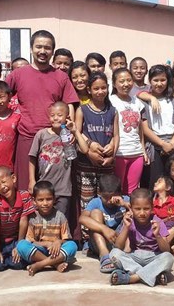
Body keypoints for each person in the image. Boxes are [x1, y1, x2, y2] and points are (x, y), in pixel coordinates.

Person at [0, 30, 79, 191]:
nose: (43, 51)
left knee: (53, 189)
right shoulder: (18, 74)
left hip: (54, 138)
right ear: (31, 48)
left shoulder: (60, 76)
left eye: (47, 48)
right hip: (26, 137)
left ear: (52, 51)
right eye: (39, 46)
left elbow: (70, 104)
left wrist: (71, 130)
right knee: (26, 187)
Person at [74, 72, 119, 234]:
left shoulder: (112, 110)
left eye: (103, 88)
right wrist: (90, 149)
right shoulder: (82, 110)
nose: (100, 91)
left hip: (107, 164)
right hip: (86, 165)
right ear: (89, 90)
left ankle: (107, 233)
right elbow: (77, 133)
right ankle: (88, 238)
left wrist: (112, 154)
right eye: (96, 88)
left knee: (107, 199)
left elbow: (116, 135)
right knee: (87, 201)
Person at [109, 188, 174, 286]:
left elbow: (166, 250)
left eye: (146, 209)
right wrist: (126, 227)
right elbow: (118, 247)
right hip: (134, 257)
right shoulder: (129, 221)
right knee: (114, 254)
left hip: (154, 257)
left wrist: (157, 235)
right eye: (137, 209)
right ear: (131, 208)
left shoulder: (158, 222)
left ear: (152, 208)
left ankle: (132, 278)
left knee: (168, 258)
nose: (142, 213)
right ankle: (152, 274)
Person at [29, 101, 85, 215]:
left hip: (63, 189)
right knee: (42, 221)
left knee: (61, 221)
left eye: (60, 115)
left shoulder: (70, 136)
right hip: (43, 187)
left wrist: (75, 131)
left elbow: (85, 150)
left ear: (67, 117)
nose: (55, 118)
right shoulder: (42, 134)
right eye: (52, 115)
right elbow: (32, 158)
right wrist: (32, 180)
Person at [16, 181, 78, 276]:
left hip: (56, 252)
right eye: (40, 200)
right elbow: (31, 241)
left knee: (72, 246)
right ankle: (55, 264)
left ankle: (40, 265)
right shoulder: (33, 217)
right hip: (39, 252)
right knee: (21, 245)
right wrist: (46, 244)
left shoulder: (60, 216)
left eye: (48, 199)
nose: (45, 203)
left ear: (54, 199)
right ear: (34, 201)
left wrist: (58, 242)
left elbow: (66, 240)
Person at [141, 65, 174, 188]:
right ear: (150, 81)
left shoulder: (173, 100)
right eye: (155, 80)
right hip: (155, 146)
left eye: (162, 80)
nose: (159, 84)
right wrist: (162, 144)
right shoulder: (145, 102)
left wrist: (171, 143)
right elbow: (145, 128)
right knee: (156, 183)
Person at [78, 174, 129, 273]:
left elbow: (139, 213)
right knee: (95, 212)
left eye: (112, 197)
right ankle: (104, 255)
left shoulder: (126, 200)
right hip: (101, 241)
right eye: (106, 197)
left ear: (119, 193)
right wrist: (104, 229)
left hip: (120, 241)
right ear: (99, 193)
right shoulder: (96, 202)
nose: (109, 201)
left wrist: (125, 205)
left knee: (131, 214)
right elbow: (82, 219)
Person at [0, 166, 36, 271]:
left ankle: (12, 256)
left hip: (15, 240)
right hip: (0, 241)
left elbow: (23, 221)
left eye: (4, 182)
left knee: (18, 264)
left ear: (13, 178)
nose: (2, 187)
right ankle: (3, 256)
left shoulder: (24, 196)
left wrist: (19, 246)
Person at [110, 68, 147, 195]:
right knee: (117, 190)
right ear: (114, 84)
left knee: (132, 191)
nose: (126, 84)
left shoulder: (136, 101)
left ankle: (129, 214)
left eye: (128, 80)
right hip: (120, 154)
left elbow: (140, 128)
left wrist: (143, 151)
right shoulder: (111, 101)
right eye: (121, 81)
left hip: (137, 154)